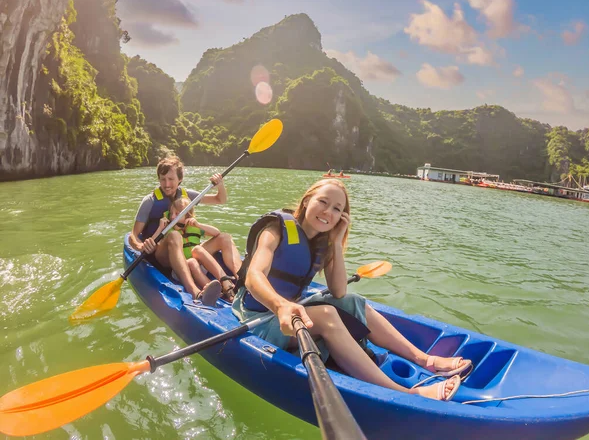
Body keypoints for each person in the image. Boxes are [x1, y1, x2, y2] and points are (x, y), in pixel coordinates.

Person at [232, 179, 470, 401]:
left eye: (337, 209)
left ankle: (425, 359)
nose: (328, 212)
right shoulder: (277, 229)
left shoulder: (322, 244)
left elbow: (338, 292)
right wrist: (280, 305)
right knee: (327, 315)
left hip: (293, 313)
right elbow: (254, 276)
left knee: (353, 301)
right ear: (307, 201)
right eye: (323, 202)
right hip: (261, 317)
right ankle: (407, 393)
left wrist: (336, 242)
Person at [129, 156, 242, 301]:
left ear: (180, 179)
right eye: (162, 179)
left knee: (224, 238)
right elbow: (133, 235)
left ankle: (243, 279)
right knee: (175, 235)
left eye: (171, 179)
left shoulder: (187, 196)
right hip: (162, 254)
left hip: (188, 252)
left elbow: (220, 199)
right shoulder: (150, 201)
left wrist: (220, 185)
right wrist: (140, 246)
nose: (167, 184)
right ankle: (194, 290)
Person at [153, 197, 236, 303]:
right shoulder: (168, 231)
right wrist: (160, 228)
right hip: (181, 270)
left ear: (187, 215)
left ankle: (224, 284)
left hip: (198, 265)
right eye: (171, 213)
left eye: (177, 214)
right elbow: (154, 244)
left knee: (198, 250)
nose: (173, 216)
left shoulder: (193, 226)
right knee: (192, 262)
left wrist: (199, 225)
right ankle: (217, 295)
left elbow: (217, 233)